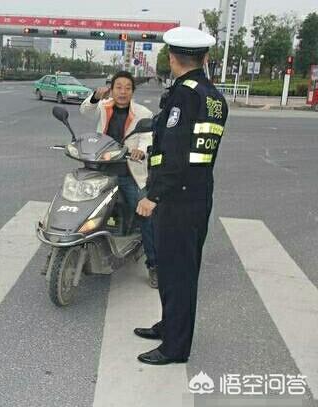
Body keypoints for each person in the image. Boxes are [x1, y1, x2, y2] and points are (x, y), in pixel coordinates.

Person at [134, 27, 229, 365]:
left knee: (178, 273)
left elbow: (175, 153)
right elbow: (191, 151)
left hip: (176, 199)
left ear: (173, 58)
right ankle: (170, 325)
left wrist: (154, 196)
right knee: (180, 269)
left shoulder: (184, 95)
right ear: (204, 58)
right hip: (196, 194)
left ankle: (175, 348)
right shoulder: (212, 96)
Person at [80, 71, 158, 288]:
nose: (122, 92)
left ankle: (154, 265)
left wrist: (141, 150)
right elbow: (85, 110)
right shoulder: (103, 106)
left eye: (127, 88)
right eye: (118, 87)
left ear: (132, 91)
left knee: (145, 214)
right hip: (101, 170)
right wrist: (95, 97)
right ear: (111, 89)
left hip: (127, 172)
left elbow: (148, 136)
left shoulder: (142, 112)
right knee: (82, 207)